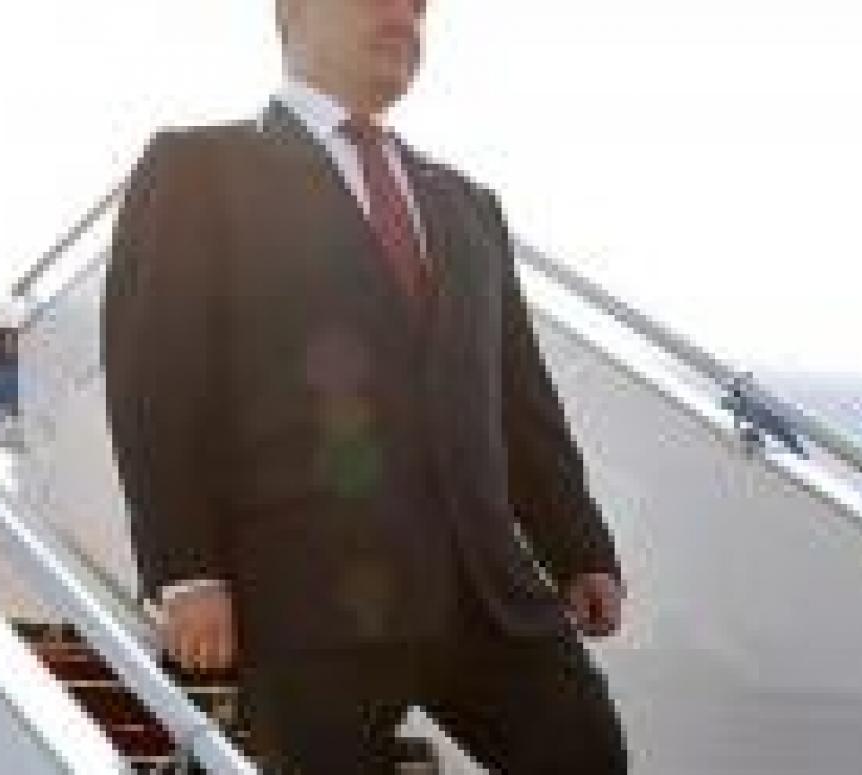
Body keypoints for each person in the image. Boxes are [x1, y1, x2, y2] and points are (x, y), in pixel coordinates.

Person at [101, 0, 629, 771]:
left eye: (419, 6)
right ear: (293, 13)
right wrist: (186, 570)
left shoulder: (467, 205)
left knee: (589, 755)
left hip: (489, 595)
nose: (404, 16)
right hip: (308, 600)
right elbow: (154, 383)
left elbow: (520, 401)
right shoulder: (198, 171)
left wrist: (578, 546)